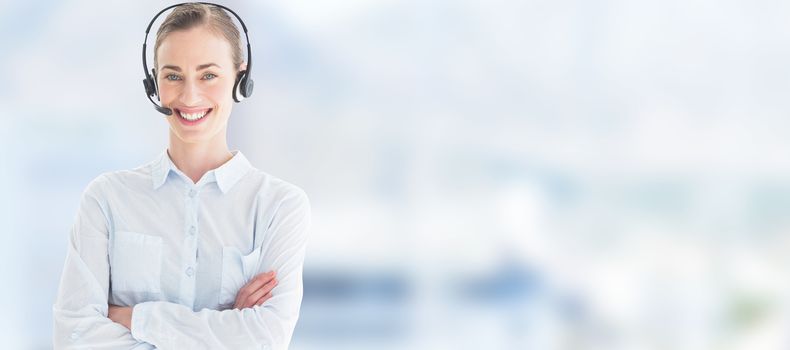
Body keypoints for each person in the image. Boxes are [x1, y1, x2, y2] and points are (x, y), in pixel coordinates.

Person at [52, 3, 311, 349]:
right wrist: (226, 328)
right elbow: (74, 339)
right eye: (173, 76)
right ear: (153, 84)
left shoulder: (279, 206)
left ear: (240, 77)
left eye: (208, 75)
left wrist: (134, 317)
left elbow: (267, 338)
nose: (190, 96)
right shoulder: (107, 199)